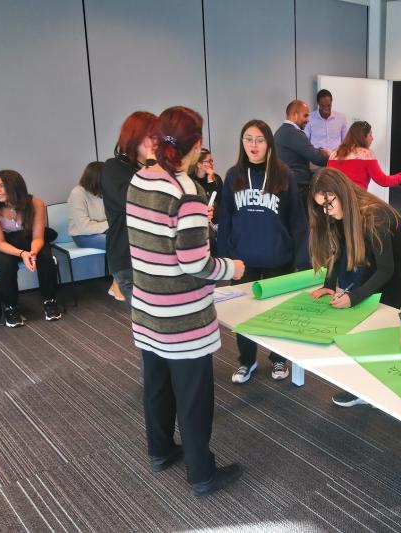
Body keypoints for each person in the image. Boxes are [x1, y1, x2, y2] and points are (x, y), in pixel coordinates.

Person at [127, 105, 246, 497]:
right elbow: (196, 263)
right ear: (195, 146)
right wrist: (232, 268)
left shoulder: (139, 180)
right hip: (184, 318)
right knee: (194, 398)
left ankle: (160, 450)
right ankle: (202, 474)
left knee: (157, 385)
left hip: (147, 310)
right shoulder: (187, 194)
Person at [307, 168, 401, 407]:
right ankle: (362, 387)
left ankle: (385, 387)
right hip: (379, 265)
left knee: (383, 326)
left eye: (329, 203)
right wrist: (328, 285)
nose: (327, 211)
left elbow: (387, 269)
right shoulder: (340, 213)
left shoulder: (374, 215)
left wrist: (355, 297)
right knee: (362, 323)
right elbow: (337, 249)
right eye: (322, 206)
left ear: (341, 192)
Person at [217, 119, 308, 384]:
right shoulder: (233, 176)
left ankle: (279, 358)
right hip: (242, 261)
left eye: (259, 139)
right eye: (248, 139)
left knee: (278, 312)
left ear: (269, 143)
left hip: (278, 258)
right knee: (243, 314)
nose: (253, 145)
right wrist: (225, 259)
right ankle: (247, 360)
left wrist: (302, 261)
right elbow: (225, 220)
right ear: (241, 143)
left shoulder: (284, 175)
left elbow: (298, 222)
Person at [0, 170, 62, 327]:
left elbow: (38, 237)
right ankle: (10, 308)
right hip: (2, 243)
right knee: (5, 263)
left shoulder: (36, 203)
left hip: (28, 239)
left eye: (2, 186)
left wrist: (31, 253)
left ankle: (50, 301)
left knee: (45, 256)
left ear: (15, 187)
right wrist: (22, 254)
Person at [102, 111, 157, 304]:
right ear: (134, 138)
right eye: (151, 137)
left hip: (157, 256)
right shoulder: (113, 168)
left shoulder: (158, 169)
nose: (155, 143)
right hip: (128, 258)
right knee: (148, 323)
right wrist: (152, 164)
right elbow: (136, 201)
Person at [68, 160, 123, 301]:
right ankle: (119, 285)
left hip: (103, 230)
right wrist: (110, 224)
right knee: (115, 243)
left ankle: (117, 283)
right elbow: (84, 227)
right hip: (82, 236)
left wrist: (111, 225)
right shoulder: (77, 193)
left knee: (125, 240)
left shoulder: (105, 191)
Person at [275, 99, 329, 208]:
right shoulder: (294, 133)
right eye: (305, 116)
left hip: (287, 186)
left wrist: (318, 151)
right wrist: (331, 156)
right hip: (297, 187)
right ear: (295, 115)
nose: (308, 120)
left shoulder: (281, 131)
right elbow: (317, 159)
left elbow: (307, 152)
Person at [328, 121, 401, 190]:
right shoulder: (366, 154)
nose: (372, 138)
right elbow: (383, 181)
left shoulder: (334, 153)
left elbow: (327, 179)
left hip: (336, 201)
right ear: (363, 137)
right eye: (370, 135)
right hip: (357, 202)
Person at [188, 148, 223, 215]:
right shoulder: (190, 181)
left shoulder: (216, 178)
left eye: (212, 161)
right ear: (199, 165)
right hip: (198, 218)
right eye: (209, 161)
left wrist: (211, 181)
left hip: (215, 220)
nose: (212, 163)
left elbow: (217, 202)